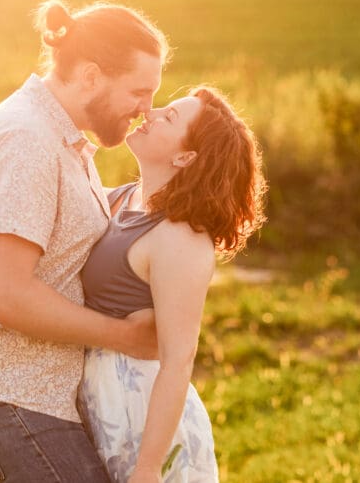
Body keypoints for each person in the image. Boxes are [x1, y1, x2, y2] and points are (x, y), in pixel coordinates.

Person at [0, 0, 171, 483]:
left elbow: (69, 222)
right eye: (139, 92)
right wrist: (124, 336)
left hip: (27, 400)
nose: (146, 111)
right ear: (90, 76)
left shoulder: (63, 143)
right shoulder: (26, 140)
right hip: (7, 396)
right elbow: (3, 295)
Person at [78, 86, 267, 483]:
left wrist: (148, 470)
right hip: (102, 406)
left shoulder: (180, 239)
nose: (151, 112)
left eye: (170, 117)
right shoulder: (123, 200)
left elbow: (178, 360)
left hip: (142, 424)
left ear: (185, 157)